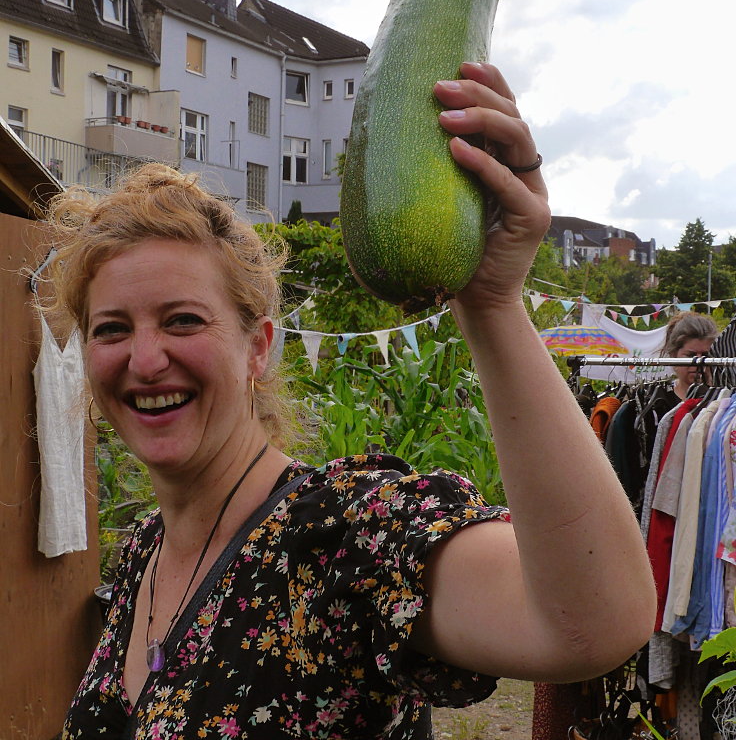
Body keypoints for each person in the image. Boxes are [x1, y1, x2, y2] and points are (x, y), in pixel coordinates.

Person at [54, 63, 656, 739]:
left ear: (258, 347)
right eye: (112, 328)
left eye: (183, 320)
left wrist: (490, 304)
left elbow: (596, 620)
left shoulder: (343, 539)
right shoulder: (142, 554)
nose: (144, 358)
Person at [661, 311, 718, 400]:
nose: (698, 362)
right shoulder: (661, 401)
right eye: (691, 355)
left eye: (705, 355)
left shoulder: (726, 399)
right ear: (674, 355)